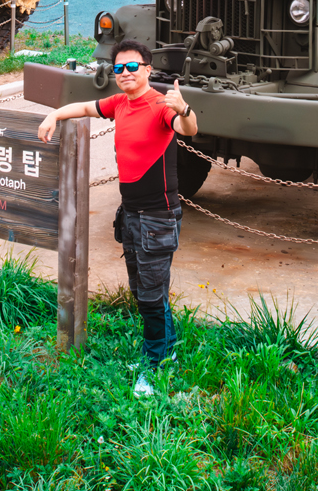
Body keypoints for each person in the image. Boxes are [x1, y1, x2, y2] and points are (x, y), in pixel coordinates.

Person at [38, 40, 197, 397]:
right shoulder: (120, 103)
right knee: (145, 292)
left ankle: (155, 366)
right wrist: (54, 115)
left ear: (148, 69)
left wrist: (184, 109)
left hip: (157, 218)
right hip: (132, 215)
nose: (125, 73)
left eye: (132, 67)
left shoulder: (160, 105)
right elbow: (86, 106)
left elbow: (188, 129)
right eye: (119, 68)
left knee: (151, 297)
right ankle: (166, 351)